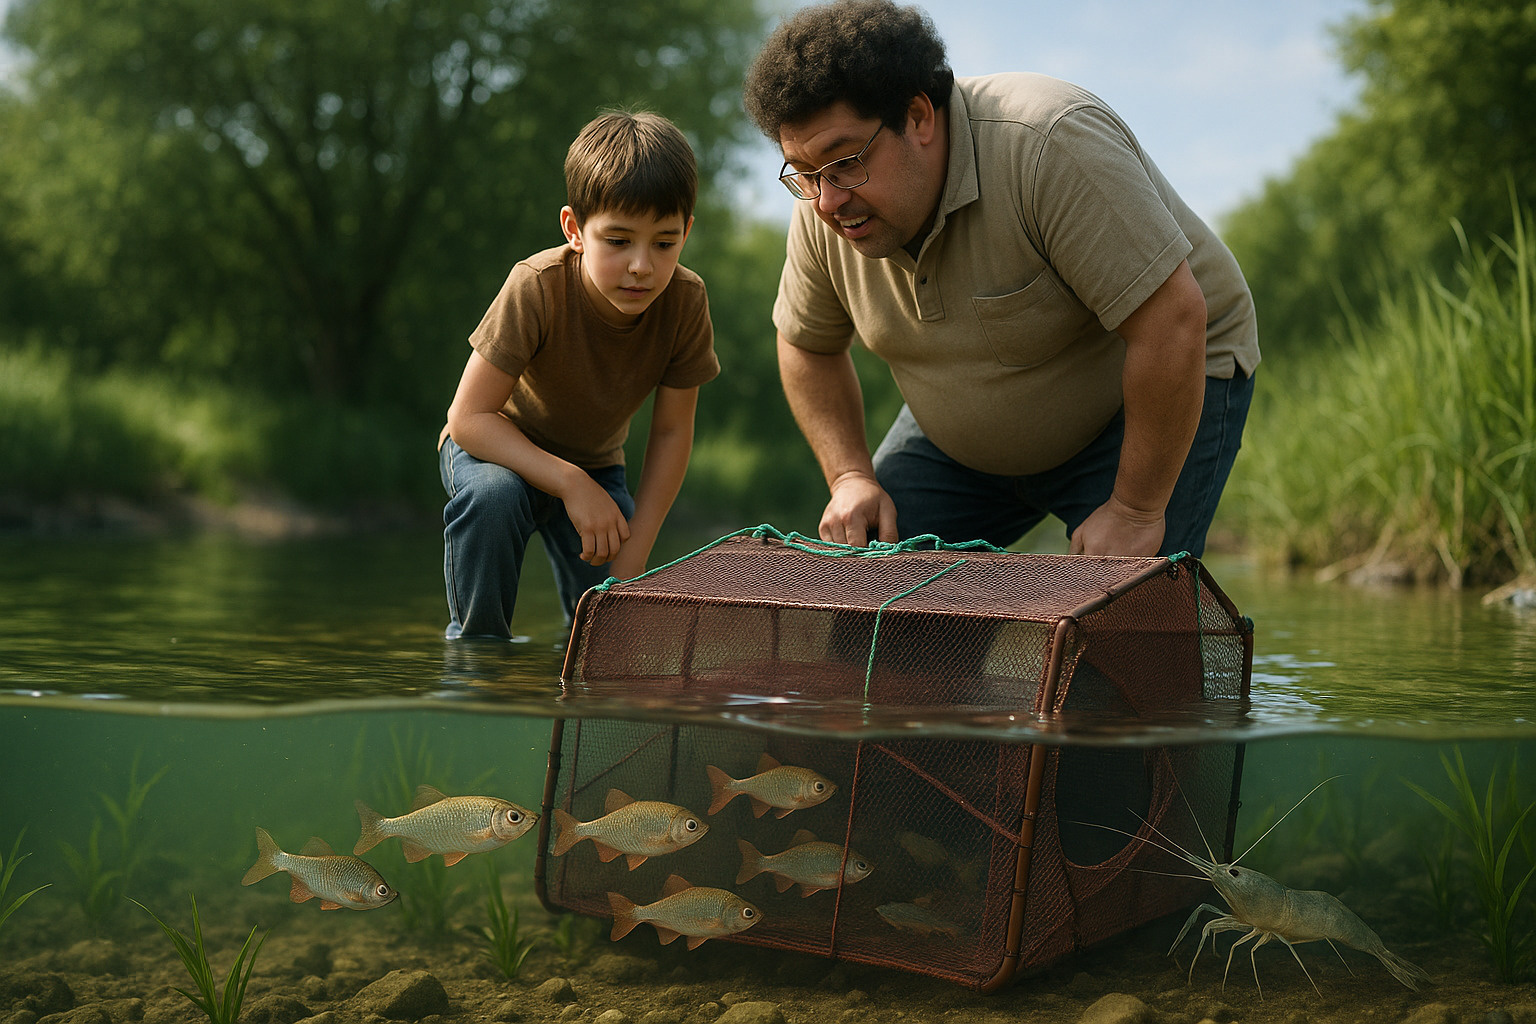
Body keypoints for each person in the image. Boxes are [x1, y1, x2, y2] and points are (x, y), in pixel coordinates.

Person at [743, 0, 1259, 558]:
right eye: (803, 173)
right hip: (958, 440)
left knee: (1120, 629)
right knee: (863, 611)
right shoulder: (824, 203)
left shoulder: (1048, 143)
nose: (827, 200)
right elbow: (806, 345)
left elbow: (1173, 322)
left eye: (845, 162)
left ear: (918, 117)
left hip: (1148, 393)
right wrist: (848, 475)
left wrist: (1136, 511)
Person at [438, 111, 719, 640]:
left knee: (608, 631)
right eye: (618, 240)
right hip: (496, 451)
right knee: (493, 498)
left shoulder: (686, 301)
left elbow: (672, 430)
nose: (641, 265)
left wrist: (636, 544)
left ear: (686, 231)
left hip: (596, 467)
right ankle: (478, 657)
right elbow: (468, 418)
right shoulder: (537, 285)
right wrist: (570, 482)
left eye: (664, 243)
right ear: (575, 230)